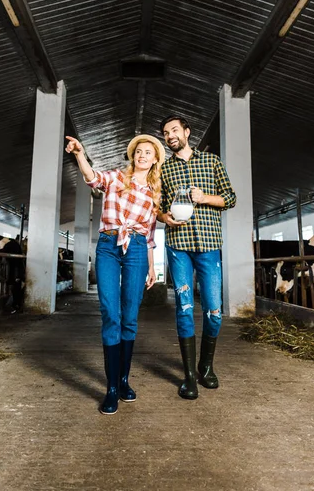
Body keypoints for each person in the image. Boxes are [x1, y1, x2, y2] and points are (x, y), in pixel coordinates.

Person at [65, 134, 165, 415]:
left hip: (135, 249)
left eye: (148, 152)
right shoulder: (117, 177)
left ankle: (123, 381)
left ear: (155, 159)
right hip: (108, 245)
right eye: (139, 151)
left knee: (130, 315)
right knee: (111, 313)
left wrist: (153, 267)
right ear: (133, 156)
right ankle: (110, 388)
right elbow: (91, 178)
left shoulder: (155, 193)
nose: (143, 155)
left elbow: (149, 236)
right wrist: (79, 154)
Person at [157, 115, 236, 400]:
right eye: (166, 133)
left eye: (174, 130)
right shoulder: (163, 169)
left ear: (187, 132)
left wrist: (204, 198)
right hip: (178, 246)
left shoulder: (212, 162)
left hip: (209, 244)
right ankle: (190, 377)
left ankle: (206, 365)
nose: (170, 136)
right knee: (185, 308)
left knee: (214, 311)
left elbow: (230, 197)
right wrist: (163, 216)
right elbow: (157, 207)